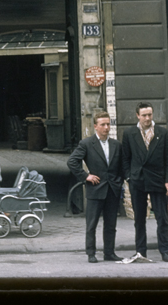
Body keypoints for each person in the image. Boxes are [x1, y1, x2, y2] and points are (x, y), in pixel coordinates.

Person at [67, 112, 125, 263]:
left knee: (111, 224)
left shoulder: (116, 145)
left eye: (108, 124)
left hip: (112, 189)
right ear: (95, 126)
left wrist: (119, 181)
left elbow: (122, 166)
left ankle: (109, 253)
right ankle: (91, 253)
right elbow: (72, 161)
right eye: (103, 125)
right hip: (95, 189)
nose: (106, 128)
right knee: (91, 224)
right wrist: (85, 176)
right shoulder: (86, 143)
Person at [122, 102, 168, 262]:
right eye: (144, 115)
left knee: (162, 218)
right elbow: (125, 158)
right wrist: (129, 177)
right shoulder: (129, 133)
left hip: (157, 180)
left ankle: (165, 251)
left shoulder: (163, 133)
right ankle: (141, 251)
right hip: (137, 180)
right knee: (139, 219)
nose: (147, 118)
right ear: (137, 115)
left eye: (149, 114)